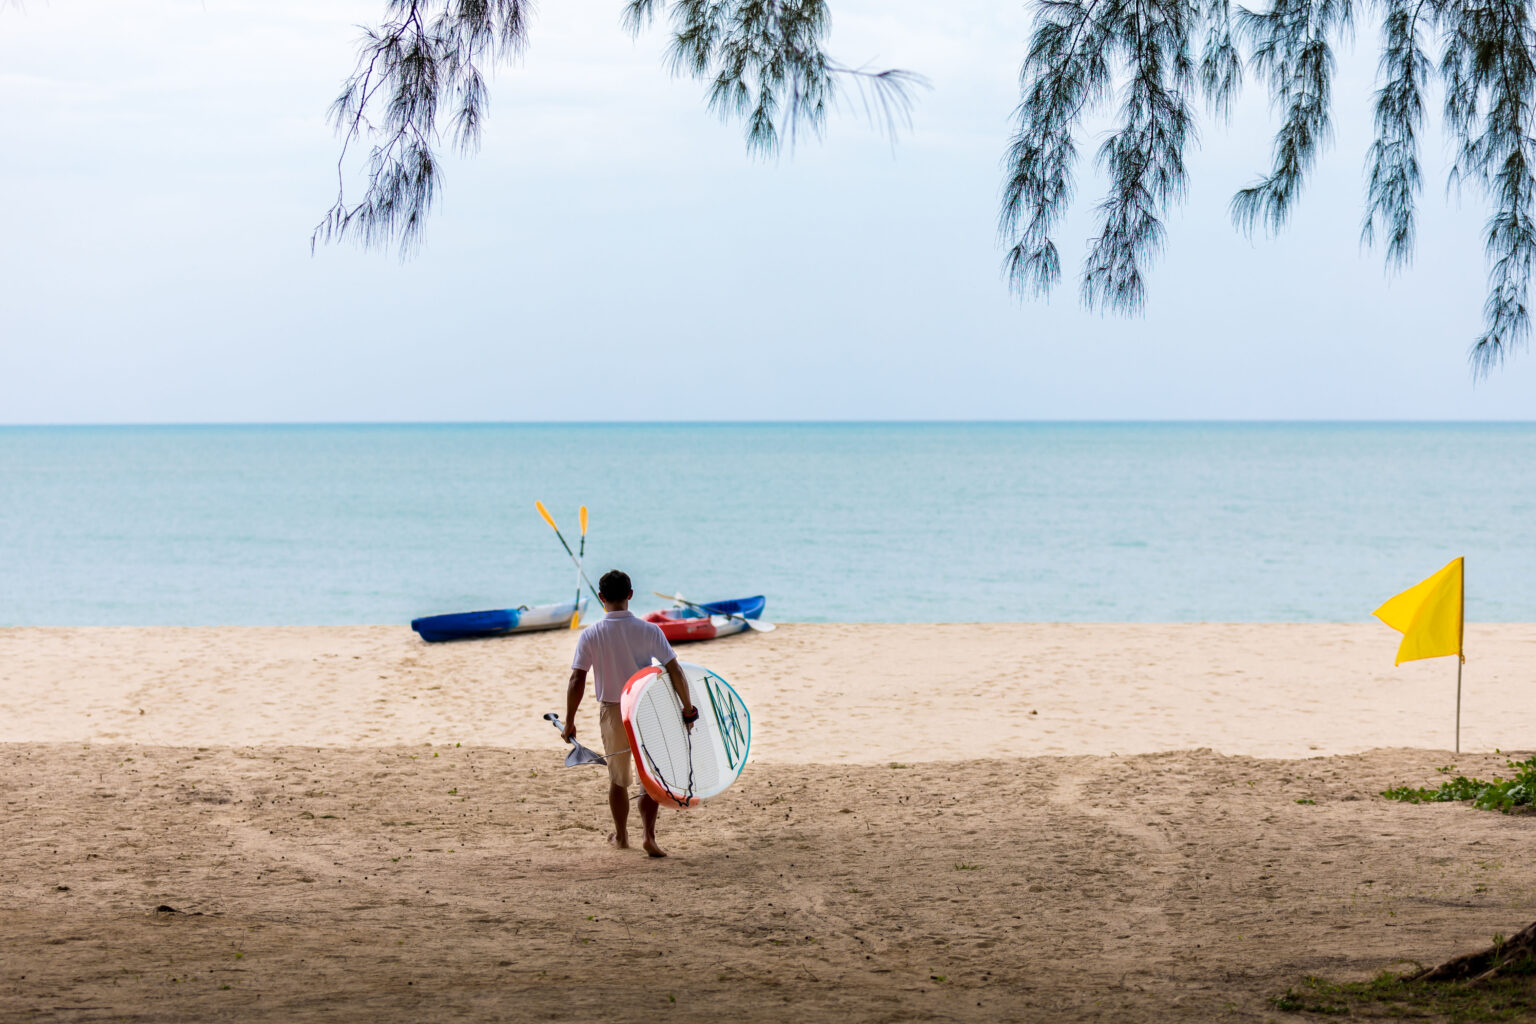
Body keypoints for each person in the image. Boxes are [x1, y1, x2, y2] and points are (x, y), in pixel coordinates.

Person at [564, 569, 695, 857]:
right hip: (645, 709)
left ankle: (622, 836)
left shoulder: (591, 634)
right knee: (649, 775)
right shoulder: (649, 630)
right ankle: (648, 835)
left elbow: (578, 679)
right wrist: (687, 708)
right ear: (630, 595)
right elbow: (675, 670)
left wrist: (570, 721)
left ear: (601, 598)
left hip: (613, 711)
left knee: (618, 778)